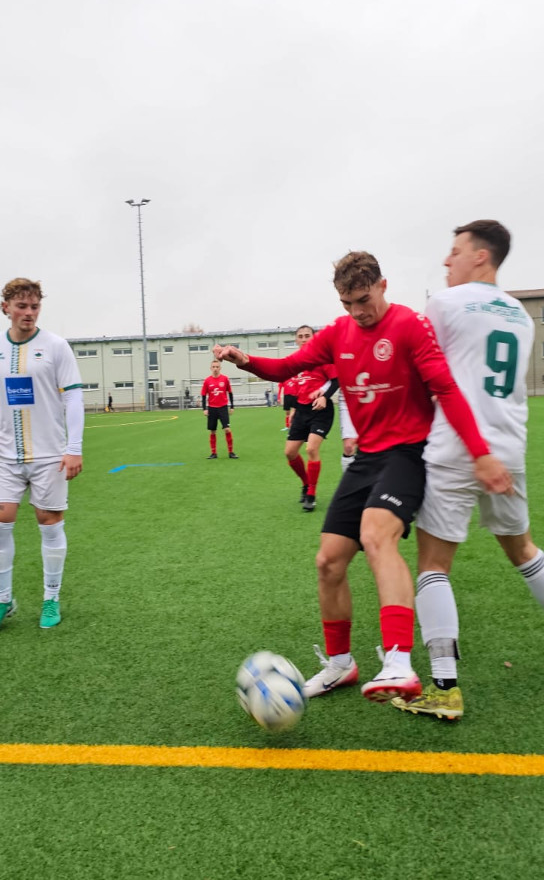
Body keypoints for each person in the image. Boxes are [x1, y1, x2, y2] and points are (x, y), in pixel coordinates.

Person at [214, 251, 511, 705]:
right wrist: (245, 359)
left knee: (376, 536)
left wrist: (482, 455)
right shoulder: (338, 333)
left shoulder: (411, 325)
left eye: (364, 299)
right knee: (328, 562)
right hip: (367, 459)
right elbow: (287, 367)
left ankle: (398, 662)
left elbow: (445, 389)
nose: (357, 311)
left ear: (383, 286)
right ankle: (340, 665)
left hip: (408, 453)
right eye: (347, 301)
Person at [392, 220, 544, 723]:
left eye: (455, 251)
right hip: (507, 447)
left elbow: (422, 369)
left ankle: (444, 688)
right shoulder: (521, 316)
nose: (447, 261)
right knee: (523, 548)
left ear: (481, 257)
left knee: (434, 565)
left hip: (457, 446)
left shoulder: (444, 304)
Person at [0, 277, 84, 636]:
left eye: (35, 306)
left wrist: (74, 448)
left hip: (50, 454)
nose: (29, 313)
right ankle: (2, 600)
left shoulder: (56, 346)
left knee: (50, 524)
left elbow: (74, 398)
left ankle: (51, 597)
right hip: (5, 454)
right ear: (6, 307)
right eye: (21, 306)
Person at [283, 324, 338, 512]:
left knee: (311, 448)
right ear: (296, 340)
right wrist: (292, 410)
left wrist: (324, 396)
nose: (304, 338)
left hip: (320, 410)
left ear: (313, 338)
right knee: (290, 452)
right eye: (301, 336)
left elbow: (336, 379)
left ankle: (311, 495)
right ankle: (306, 483)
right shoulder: (296, 362)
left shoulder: (322, 358)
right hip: (301, 411)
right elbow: (294, 388)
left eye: (308, 335)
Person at [200, 360, 237, 459]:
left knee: (227, 429)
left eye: (217, 367)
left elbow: (230, 392)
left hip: (223, 408)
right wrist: (204, 409)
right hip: (212, 408)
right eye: (214, 367)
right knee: (212, 431)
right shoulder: (207, 381)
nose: (215, 368)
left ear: (220, 368)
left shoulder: (225, 379)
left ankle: (231, 452)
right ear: (211, 368)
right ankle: (214, 453)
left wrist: (232, 406)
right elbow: (203, 395)